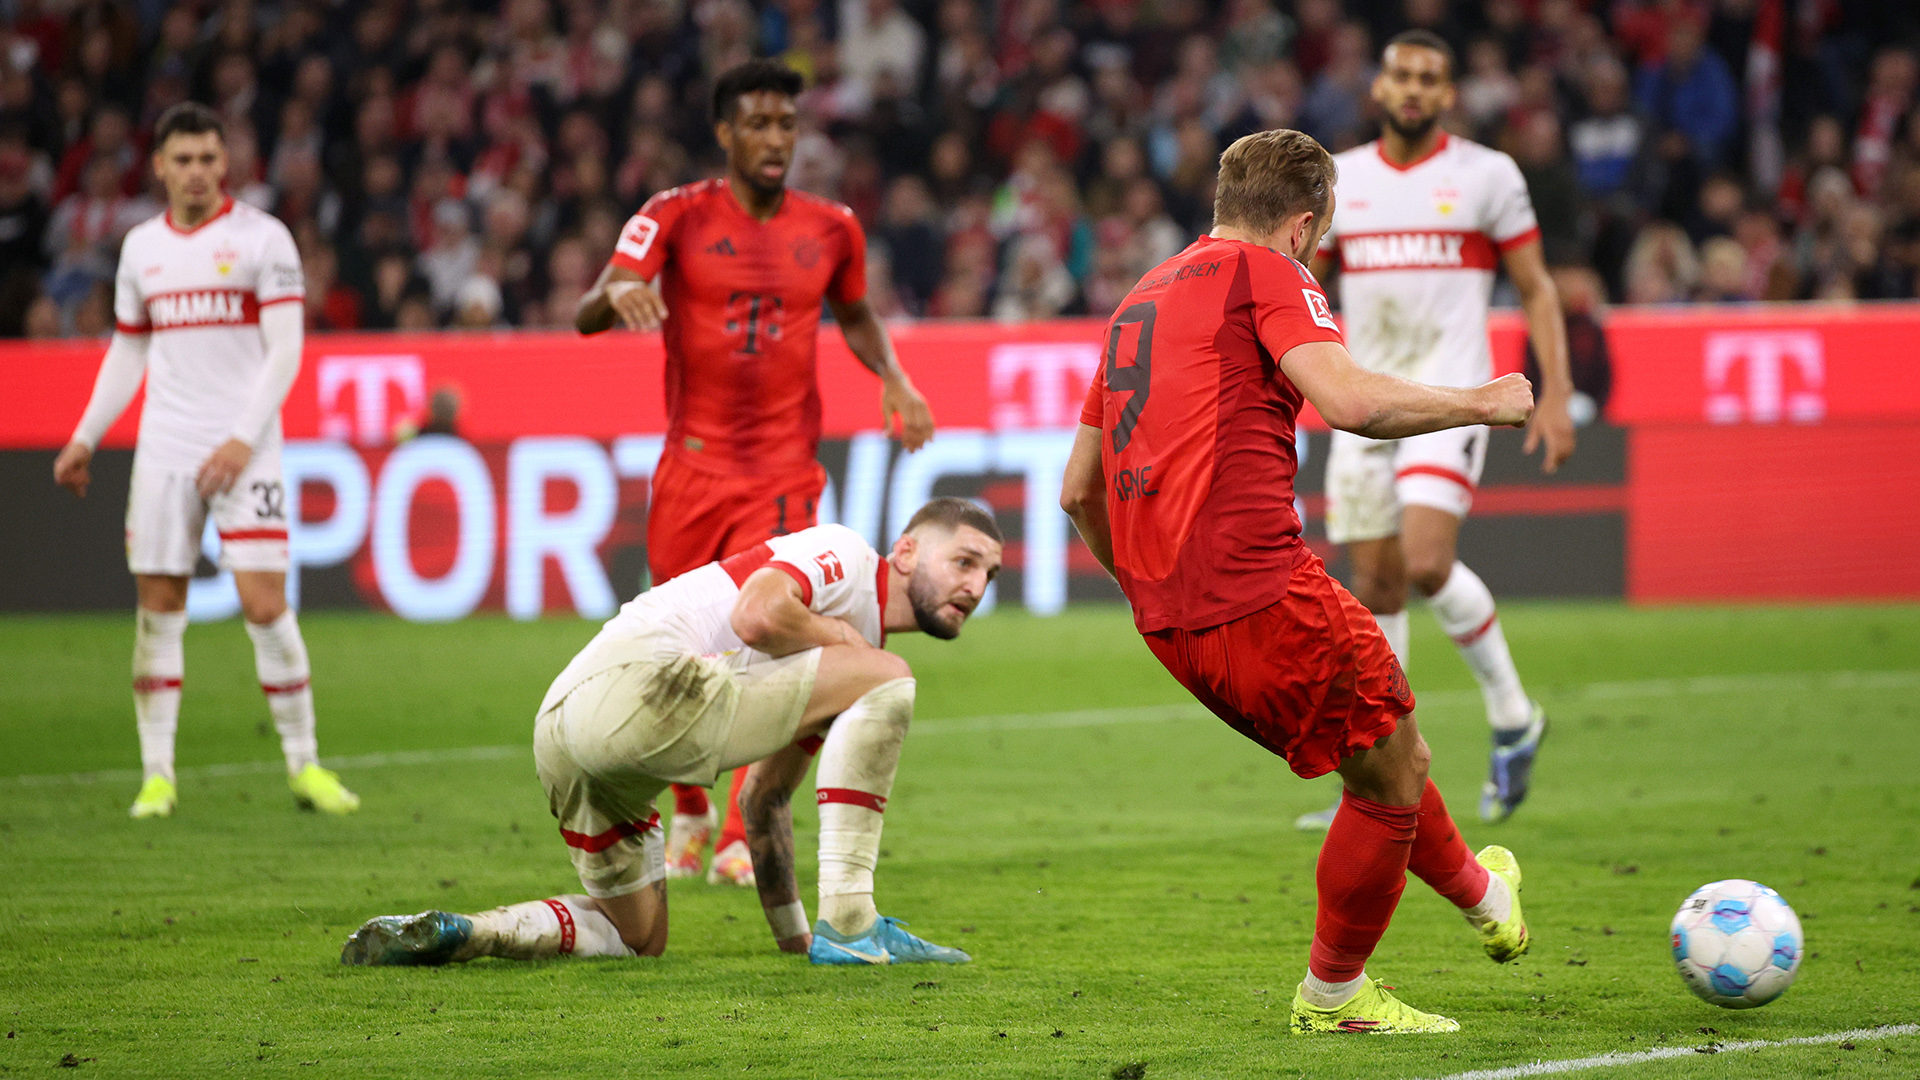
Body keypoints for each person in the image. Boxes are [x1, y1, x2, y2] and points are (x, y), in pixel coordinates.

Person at [1060, 128, 1535, 1033]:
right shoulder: (1271, 274)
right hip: (1260, 589)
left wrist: (1151, 590)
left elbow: (1079, 492)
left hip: (1169, 622)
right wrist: (1484, 401)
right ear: (1304, 223)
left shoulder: (1138, 299)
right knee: (1394, 771)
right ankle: (1335, 993)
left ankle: (1484, 900)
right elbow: (1350, 402)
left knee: (1379, 746)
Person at [340, 498, 1000, 967]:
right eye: (964, 561)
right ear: (907, 550)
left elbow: (762, 802)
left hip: (564, 728)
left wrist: (796, 941)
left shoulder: (838, 680)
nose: (975, 586)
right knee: (890, 673)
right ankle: (854, 921)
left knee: (637, 936)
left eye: (989, 575)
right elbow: (757, 612)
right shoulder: (847, 556)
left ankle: (471, 931)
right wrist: (845, 639)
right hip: (641, 680)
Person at [575, 60, 935, 888]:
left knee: (761, 644)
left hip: (782, 472)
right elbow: (591, 308)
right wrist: (618, 298)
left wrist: (897, 378)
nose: (777, 139)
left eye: (787, 124)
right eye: (760, 124)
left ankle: (737, 830)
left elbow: (856, 313)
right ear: (725, 133)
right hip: (690, 473)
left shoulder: (833, 227)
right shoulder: (673, 215)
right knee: (686, 647)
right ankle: (693, 813)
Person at [51, 102, 359, 821]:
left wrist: (242, 438)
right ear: (158, 165)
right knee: (159, 608)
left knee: (264, 603)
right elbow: (129, 351)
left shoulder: (264, 240)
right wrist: (86, 436)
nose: (196, 172)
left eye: (208, 160)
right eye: (182, 160)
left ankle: (305, 765)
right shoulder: (141, 249)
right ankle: (157, 776)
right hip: (166, 446)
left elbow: (286, 348)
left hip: (245, 448)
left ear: (226, 165)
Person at [1302, 30, 1577, 830]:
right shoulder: (1340, 180)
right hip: (1366, 402)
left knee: (1425, 562)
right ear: (1380, 89)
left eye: (1430, 77)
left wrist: (1554, 392)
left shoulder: (1488, 175)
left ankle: (1512, 712)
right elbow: (1303, 287)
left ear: (1448, 93)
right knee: (1378, 587)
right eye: (1402, 76)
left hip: (1455, 395)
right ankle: (1381, 779)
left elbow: (1537, 289)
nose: (1414, 89)